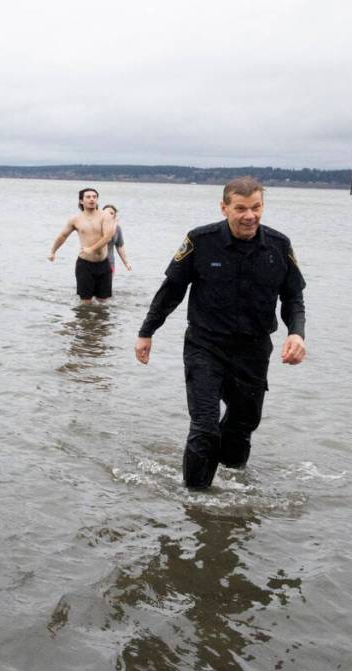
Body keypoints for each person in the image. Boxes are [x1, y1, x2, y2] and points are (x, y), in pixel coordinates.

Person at [135, 177, 307, 489]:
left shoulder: (279, 246)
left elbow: (293, 297)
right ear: (224, 207)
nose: (249, 216)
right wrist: (147, 331)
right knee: (205, 426)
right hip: (205, 346)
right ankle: (196, 499)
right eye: (240, 208)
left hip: (253, 350)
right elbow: (171, 290)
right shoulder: (200, 240)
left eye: (256, 208)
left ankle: (231, 485)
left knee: (243, 426)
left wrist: (296, 333)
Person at [47, 188, 116, 304]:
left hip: (103, 264)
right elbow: (63, 236)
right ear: (81, 201)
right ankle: (85, 321)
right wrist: (52, 252)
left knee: (103, 302)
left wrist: (91, 249)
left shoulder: (105, 216)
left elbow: (107, 237)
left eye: (94, 197)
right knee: (86, 303)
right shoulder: (75, 219)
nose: (92, 199)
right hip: (85, 265)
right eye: (88, 197)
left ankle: (100, 322)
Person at [102, 204, 133, 275]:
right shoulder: (97, 226)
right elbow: (107, 238)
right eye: (106, 212)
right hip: (94, 262)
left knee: (108, 286)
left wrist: (126, 263)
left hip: (109, 263)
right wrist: (115, 223)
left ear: (115, 216)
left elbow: (120, 246)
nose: (108, 215)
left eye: (111, 213)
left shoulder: (117, 228)